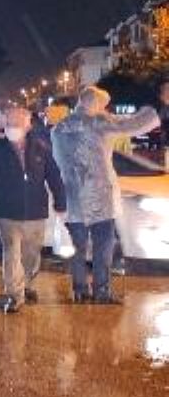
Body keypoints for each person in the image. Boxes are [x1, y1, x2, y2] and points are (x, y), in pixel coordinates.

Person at [50, 86, 160, 304]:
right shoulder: (97, 122)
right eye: (102, 105)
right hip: (99, 199)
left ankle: (80, 291)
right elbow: (133, 125)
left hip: (72, 198)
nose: (105, 110)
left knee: (78, 249)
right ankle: (101, 292)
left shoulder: (58, 129)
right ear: (94, 103)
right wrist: (158, 107)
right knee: (102, 248)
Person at [0, 106, 66, 313]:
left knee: (31, 256)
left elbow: (54, 177)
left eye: (17, 124)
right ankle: (14, 295)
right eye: (9, 123)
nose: (12, 127)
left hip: (36, 213)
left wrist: (61, 203)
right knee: (12, 255)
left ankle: (27, 284)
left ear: (28, 126)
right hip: (7, 214)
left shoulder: (41, 148)